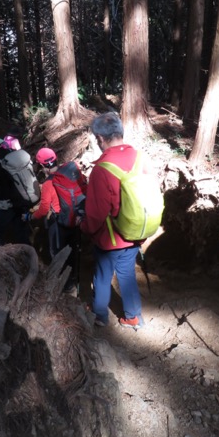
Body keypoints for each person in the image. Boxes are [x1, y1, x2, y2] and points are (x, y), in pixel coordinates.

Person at [80, 112, 151, 329]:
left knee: (102, 276)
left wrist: (85, 228)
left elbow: (97, 213)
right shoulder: (140, 157)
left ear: (100, 138)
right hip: (136, 231)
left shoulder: (102, 169)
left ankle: (100, 316)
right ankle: (133, 316)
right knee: (127, 274)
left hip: (110, 239)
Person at [25, 147, 87, 295]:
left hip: (59, 222)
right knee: (72, 249)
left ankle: (64, 284)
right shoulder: (68, 174)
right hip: (75, 218)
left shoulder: (48, 184)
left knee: (57, 251)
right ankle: (73, 279)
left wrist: (30, 217)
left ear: (41, 165)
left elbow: (44, 208)